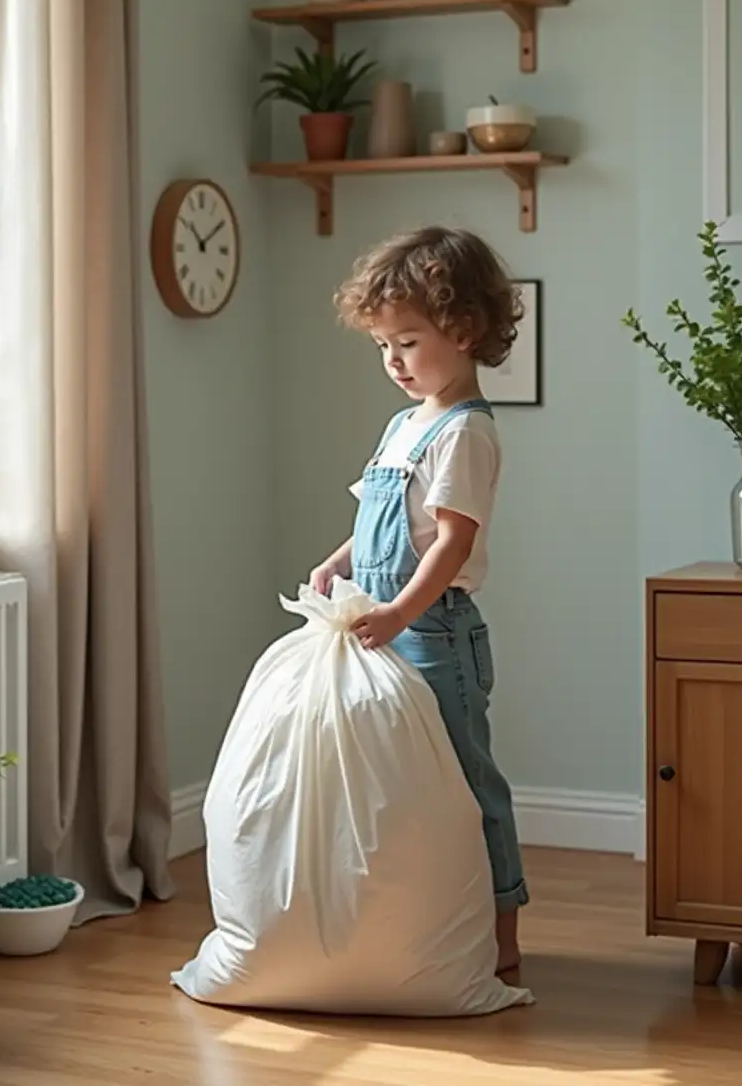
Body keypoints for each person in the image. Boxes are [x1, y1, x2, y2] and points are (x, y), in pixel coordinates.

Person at [309, 225, 528, 976]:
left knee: (467, 777)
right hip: (382, 620)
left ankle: (502, 931)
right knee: (400, 776)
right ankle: (425, 916)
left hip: (434, 631)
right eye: (381, 347)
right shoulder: (405, 424)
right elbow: (381, 517)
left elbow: (450, 544)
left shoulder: (464, 434)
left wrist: (400, 613)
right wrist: (338, 563)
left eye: (406, 342)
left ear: (463, 330)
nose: (392, 362)